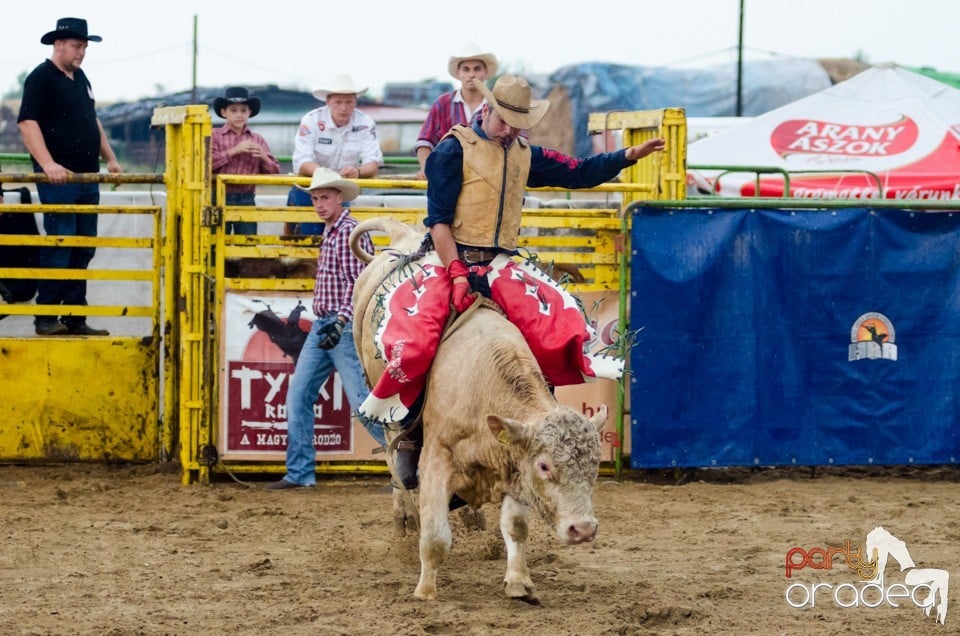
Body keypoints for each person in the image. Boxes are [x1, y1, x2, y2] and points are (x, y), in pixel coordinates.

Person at [358, 75, 666, 487]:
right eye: (505, 122)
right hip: (451, 258)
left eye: (518, 124)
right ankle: (411, 434)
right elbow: (439, 224)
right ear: (486, 111)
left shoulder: (523, 153)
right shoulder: (453, 150)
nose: (510, 131)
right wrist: (456, 273)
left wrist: (626, 155)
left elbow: (578, 172)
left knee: (556, 330)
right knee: (416, 341)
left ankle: (539, 419)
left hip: (500, 264)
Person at [267, 167, 384, 490]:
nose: (319, 204)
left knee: (363, 403)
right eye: (316, 198)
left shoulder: (349, 232)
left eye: (325, 198)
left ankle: (410, 468)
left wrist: (344, 320)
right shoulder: (336, 229)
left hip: (339, 326)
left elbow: (361, 284)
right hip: (326, 325)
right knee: (303, 396)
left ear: (339, 198)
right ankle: (300, 472)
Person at [17, 17, 121, 336]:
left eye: (85, 47)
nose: (81, 53)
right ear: (58, 44)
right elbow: (27, 123)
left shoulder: (81, 78)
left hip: (87, 176)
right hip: (59, 177)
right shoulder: (40, 78)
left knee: (83, 246)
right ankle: (47, 316)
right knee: (61, 242)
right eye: (77, 46)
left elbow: (92, 120)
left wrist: (111, 159)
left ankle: (74, 315)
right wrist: (48, 164)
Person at [286, 75, 383, 236]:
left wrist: (357, 171)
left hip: (340, 189)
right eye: (338, 102)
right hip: (311, 188)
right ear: (328, 102)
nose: (343, 108)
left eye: (348, 102)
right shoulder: (311, 121)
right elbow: (302, 162)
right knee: (314, 235)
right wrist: (329, 176)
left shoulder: (365, 123)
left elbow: (373, 163)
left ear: (355, 102)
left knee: (337, 234)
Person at [414, 43, 498, 180]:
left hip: (488, 179)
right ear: (459, 74)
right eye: (466, 69)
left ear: (485, 72)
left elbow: (516, 141)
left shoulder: (497, 106)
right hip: (446, 177)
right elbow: (424, 141)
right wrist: (426, 167)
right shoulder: (442, 104)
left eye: (477, 69)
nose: (472, 75)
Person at [210, 86, 280, 235]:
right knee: (216, 243)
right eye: (233, 110)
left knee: (247, 242)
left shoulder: (258, 139)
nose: (239, 115)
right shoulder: (213, 136)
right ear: (224, 112)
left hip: (247, 198)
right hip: (217, 197)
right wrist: (234, 151)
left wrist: (263, 156)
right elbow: (205, 164)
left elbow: (274, 171)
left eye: (243, 110)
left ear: (249, 113)